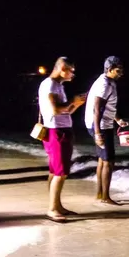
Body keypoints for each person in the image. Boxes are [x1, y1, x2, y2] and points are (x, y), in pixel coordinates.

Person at [38, 57, 86, 222]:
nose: (73, 74)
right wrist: (72, 101)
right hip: (56, 131)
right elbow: (56, 110)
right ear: (62, 69)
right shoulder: (51, 84)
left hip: (58, 129)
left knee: (55, 170)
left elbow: (66, 111)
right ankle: (52, 209)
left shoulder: (57, 85)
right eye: (71, 71)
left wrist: (77, 104)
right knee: (61, 172)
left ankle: (57, 205)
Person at [85, 56, 128, 204]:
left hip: (103, 124)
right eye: (118, 70)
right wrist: (97, 133)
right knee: (109, 162)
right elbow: (97, 109)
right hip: (101, 126)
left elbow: (107, 106)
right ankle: (105, 197)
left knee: (102, 161)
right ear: (109, 70)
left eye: (122, 70)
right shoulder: (105, 84)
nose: (121, 73)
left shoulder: (107, 81)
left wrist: (117, 119)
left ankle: (100, 194)